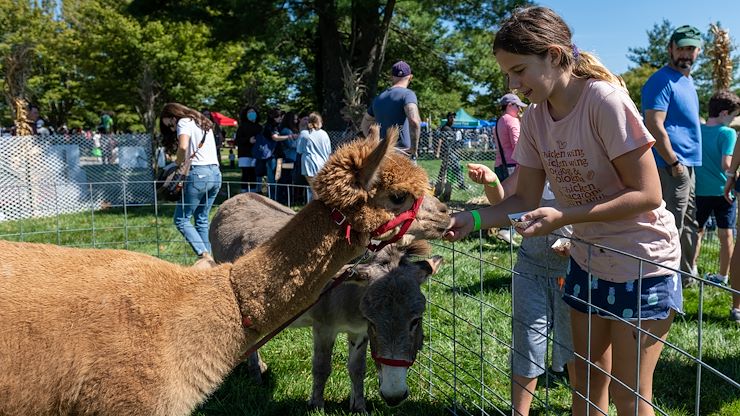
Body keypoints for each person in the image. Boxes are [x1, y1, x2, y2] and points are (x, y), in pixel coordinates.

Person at [444, 7, 681, 416]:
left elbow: (648, 194)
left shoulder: (603, 100)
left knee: (629, 395)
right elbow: (525, 200)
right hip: (588, 261)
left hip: (642, 262)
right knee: (585, 385)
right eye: (507, 75)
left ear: (554, 55)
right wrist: (474, 219)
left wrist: (565, 218)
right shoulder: (536, 119)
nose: (513, 85)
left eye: (519, 70)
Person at [467, 163, 575, 416]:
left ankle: (581, 406)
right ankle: (519, 412)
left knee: (573, 346)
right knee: (527, 340)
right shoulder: (532, 165)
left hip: (573, 271)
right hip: (530, 267)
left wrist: (575, 244)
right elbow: (504, 203)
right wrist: (492, 182)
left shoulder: (579, 163)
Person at [641, 25, 703, 284]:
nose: (686, 54)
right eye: (681, 48)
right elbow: (654, 124)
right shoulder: (661, 80)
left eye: (691, 48)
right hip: (670, 165)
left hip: (687, 164)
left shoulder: (687, 81)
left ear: (698, 51)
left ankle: (686, 277)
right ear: (670, 48)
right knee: (669, 225)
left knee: (689, 223)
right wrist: (673, 163)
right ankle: (664, 279)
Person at [159, 102, 222, 261]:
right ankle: (209, 262)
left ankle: (204, 255)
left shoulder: (183, 122)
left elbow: (183, 146)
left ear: (173, 117)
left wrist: (178, 163)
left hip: (199, 174)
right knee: (201, 218)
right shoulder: (201, 121)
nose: (171, 129)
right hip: (215, 174)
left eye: (169, 124)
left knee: (181, 219)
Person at [694, 91, 740, 286]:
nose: (734, 120)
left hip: (699, 190)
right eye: (734, 115)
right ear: (724, 113)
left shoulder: (697, 130)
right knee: (726, 234)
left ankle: (691, 270)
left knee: (697, 231)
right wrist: (735, 175)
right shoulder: (727, 133)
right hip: (723, 191)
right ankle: (723, 276)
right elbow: (726, 163)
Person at [360, 61, 421, 158]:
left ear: (392, 77)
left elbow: (364, 125)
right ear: (410, 77)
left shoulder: (379, 98)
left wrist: (375, 144)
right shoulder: (408, 95)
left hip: (382, 155)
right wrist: (413, 149)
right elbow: (414, 121)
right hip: (402, 155)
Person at [493, 93, 528, 246]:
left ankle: (506, 229)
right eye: (518, 106)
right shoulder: (512, 121)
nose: (520, 109)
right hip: (513, 165)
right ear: (509, 106)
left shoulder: (499, 121)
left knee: (504, 198)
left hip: (500, 164)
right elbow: (518, 143)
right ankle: (510, 230)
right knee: (518, 199)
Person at [299, 112, 331, 202]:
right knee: (318, 190)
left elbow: (299, 150)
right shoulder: (324, 134)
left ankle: (316, 209)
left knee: (314, 190)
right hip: (323, 165)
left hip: (309, 165)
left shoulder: (304, 134)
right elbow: (329, 151)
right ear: (319, 122)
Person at [434, 112, 465, 201]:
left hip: (452, 152)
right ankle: (461, 184)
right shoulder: (445, 128)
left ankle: (438, 187)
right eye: (451, 117)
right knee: (457, 167)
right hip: (447, 153)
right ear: (448, 118)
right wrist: (438, 152)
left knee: (444, 171)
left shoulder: (452, 128)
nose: (453, 119)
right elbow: (440, 139)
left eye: (454, 118)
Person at [234, 106, 261, 193]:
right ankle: (244, 192)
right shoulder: (242, 127)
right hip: (245, 154)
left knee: (254, 173)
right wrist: (248, 140)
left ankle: (254, 191)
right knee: (246, 173)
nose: (252, 114)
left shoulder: (259, 127)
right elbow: (237, 140)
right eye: (249, 112)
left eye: (253, 112)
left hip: (256, 154)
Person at [277, 111, 300, 205]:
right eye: (294, 119)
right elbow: (291, 145)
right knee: (286, 179)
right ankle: (285, 198)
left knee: (287, 179)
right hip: (288, 158)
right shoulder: (287, 131)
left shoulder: (289, 130)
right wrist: (299, 140)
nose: (296, 121)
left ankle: (286, 198)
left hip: (290, 158)